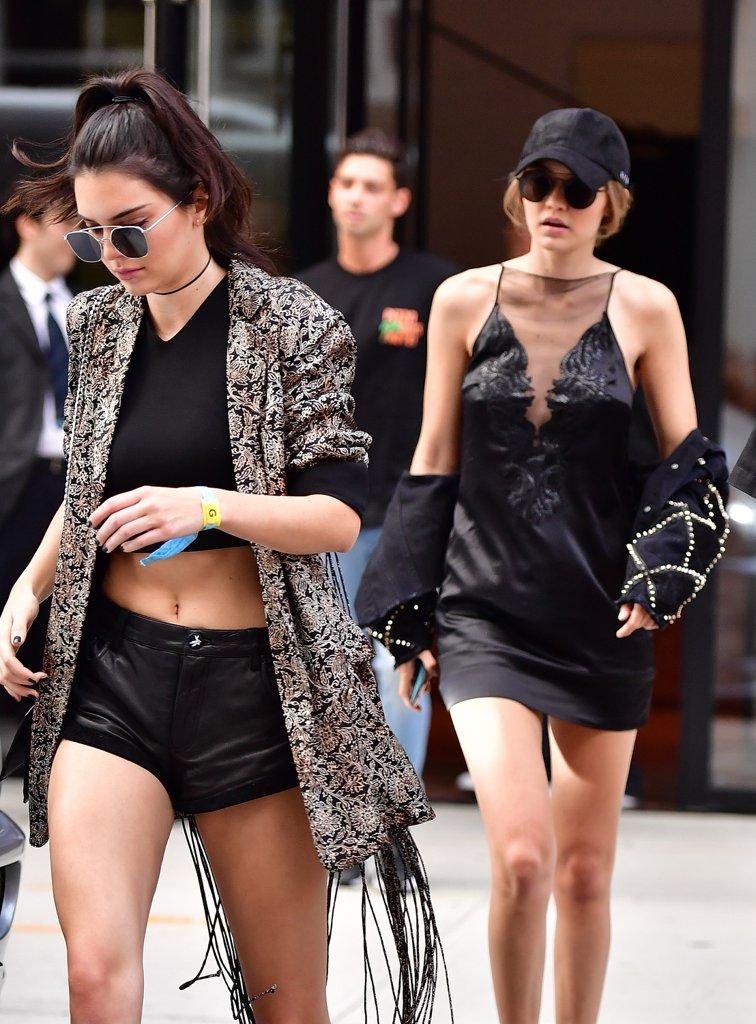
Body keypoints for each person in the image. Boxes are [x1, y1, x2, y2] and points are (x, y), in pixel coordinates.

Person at [0, 70, 447, 1024]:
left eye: (131, 229)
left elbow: (336, 518)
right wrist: (26, 591)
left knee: (287, 1001)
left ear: (198, 200)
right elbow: (85, 487)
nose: (110, 256)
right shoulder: (98, 325)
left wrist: (208, 507)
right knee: (94, 976)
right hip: (113, 678)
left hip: (254, 689)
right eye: (89, 235)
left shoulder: (291, 323)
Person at [356, 108, 728, 1024]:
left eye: (576, 188)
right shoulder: (460, 300)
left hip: (600, 616)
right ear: (518, 193)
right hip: (484, 614)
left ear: (612, 203)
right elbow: (433, 461)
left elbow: (688, 462)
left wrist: (664, 573)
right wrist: (410, 609)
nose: (554, 202)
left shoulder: (648, 307)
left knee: (585, 872)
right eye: (538, 183)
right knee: (522, 859)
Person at [298, 128, 457, 778]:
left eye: (372, 186)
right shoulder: (302, 294)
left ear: (399, 200)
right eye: (347, 184)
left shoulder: (436, 287)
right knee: (327, 664)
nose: (357, 197)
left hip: (404, 511)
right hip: (323, 510)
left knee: (400, 658)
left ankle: (395, 810)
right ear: (330, 194)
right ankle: (337, 807)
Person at [0, 203, 77, 682]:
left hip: (73, 480)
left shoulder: (86, 309)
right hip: (14, 481)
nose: (77, 238)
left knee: (58, 617)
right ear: (28, 225)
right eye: (67, 225)